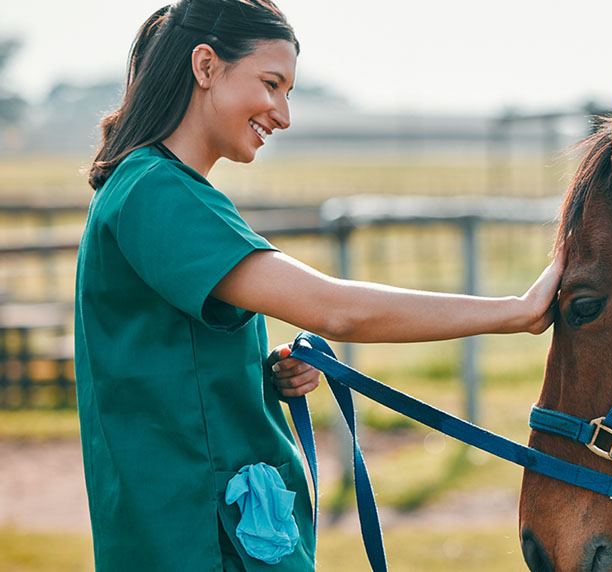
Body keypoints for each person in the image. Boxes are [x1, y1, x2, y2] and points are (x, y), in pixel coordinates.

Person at [76, 1, 563, 571]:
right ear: (206, 66)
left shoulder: (151, 189)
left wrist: (264, 371)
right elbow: (336, 311)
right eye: (271, 83)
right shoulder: (157, 194)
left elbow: (170, 360)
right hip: (198, 542)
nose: (282, 114)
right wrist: (516, 311)